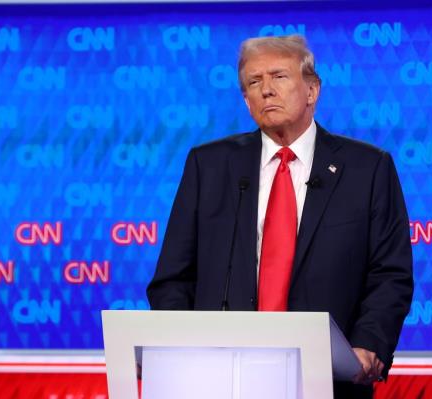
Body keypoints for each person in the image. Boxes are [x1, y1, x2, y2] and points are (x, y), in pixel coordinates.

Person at [147, 34, 413, 398]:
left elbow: (390, 274)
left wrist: (369, 345)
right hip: (220, 378)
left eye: (279, 77)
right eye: (253, 82)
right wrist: (183, 351)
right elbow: (172, 279)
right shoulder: (209, 165)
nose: (266, 90)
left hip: (327, 379)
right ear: (246, 100)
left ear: (312, 90)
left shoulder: (367, 168)